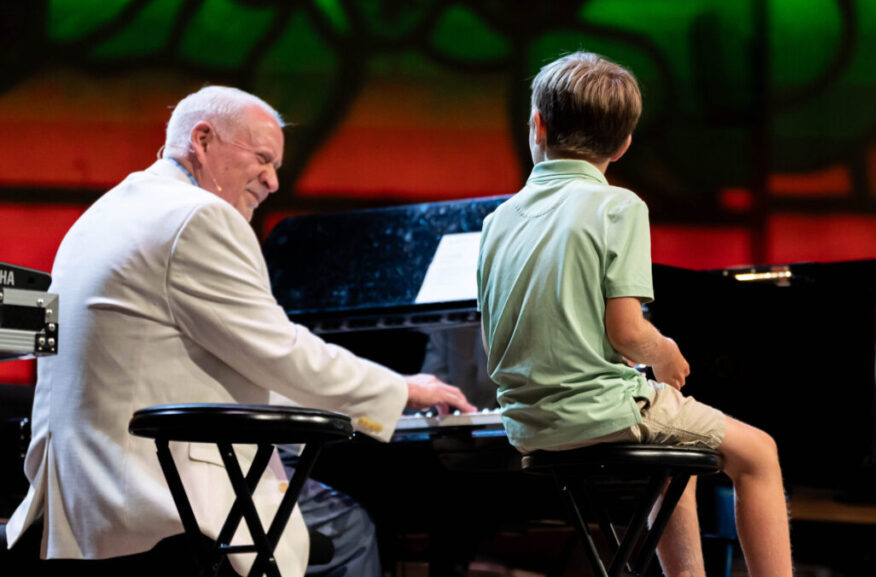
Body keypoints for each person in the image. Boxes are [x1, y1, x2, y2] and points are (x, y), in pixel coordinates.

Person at [3, 86, 475, 577]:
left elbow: (193, 363)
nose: (273, 181)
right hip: (155, 491)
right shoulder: (198, 217)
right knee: (350, 530)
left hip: (81, 491)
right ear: (203, 139)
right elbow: (282, 353)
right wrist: (402, 390)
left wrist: (352, 405)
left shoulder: (105, 212)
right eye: (263, 159)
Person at [477, 52, 792, 577]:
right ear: (623, 145)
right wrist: (664, 352)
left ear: (538, 125)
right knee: (759, 453)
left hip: (528, 424)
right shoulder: (619, 206)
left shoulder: (496, 221)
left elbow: (495, 343)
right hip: (600, 414)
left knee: (673, 447)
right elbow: (625, 332)